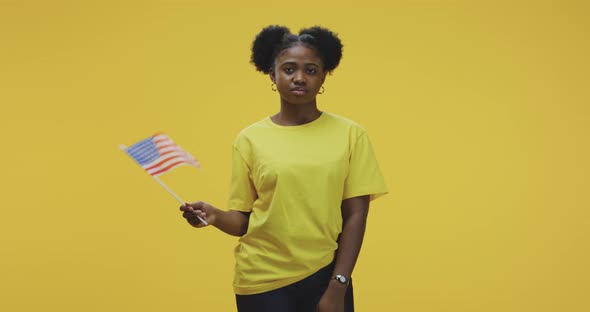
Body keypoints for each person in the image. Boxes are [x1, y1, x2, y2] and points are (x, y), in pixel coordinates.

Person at [180, 25, 388, 312]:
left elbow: (356, 214)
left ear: (323, 75)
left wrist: (339, 283)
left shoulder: (351, 135)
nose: (299, 78)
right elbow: (243, 221)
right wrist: (214, 216)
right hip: (261, 280)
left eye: (311, 70)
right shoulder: (249, 139)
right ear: (272, 75)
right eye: (289, 69)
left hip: (324, 274)